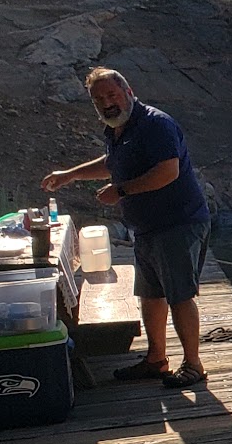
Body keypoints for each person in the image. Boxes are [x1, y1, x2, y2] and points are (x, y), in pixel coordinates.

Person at [44, 68, 213, 388]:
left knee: (179, 295)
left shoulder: (156, 124)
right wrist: (70, 174)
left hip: (178, 222)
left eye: (112, 95)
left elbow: (168, 172)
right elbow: (112, 163)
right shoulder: (118, 128)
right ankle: (156, 359)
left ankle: (193, 364)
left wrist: (120, 191)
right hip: (148, 227)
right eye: (99, 99)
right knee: (151, 295)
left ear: (128, 91)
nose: (107, 103)